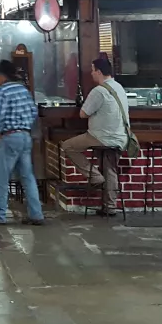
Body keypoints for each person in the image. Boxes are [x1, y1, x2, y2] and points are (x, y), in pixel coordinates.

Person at [62, 56, 130, 215]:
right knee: (110, 170)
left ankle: (95, 177)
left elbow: (83, 114)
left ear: (99, 72)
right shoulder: (119, 87)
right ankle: (110, 207)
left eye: (92, 70)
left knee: (68, 146)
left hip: (101, 136)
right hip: (120, 137)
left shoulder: (99, 91)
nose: (91, 73)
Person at [0, 60, 44, 227]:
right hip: (25, 136)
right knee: (28, 177)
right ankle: (36, 214)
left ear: (3, 76)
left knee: (1, 178)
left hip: (8, 137)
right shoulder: (24, 90)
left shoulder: (2, 91)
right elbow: (33, 112)